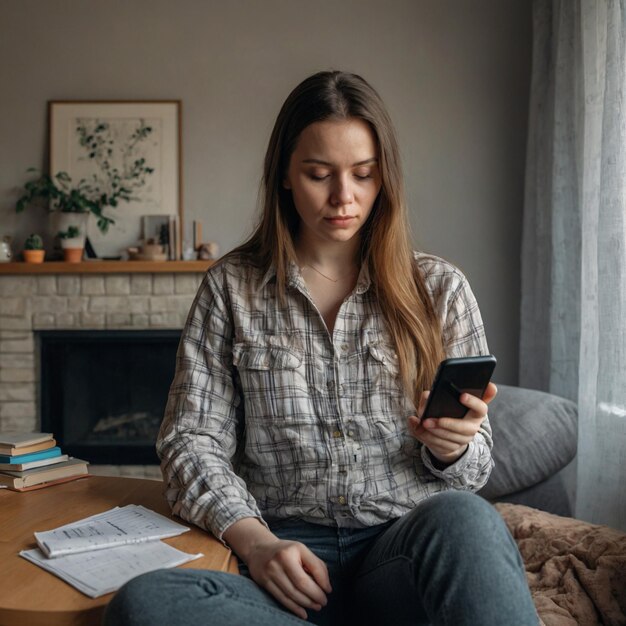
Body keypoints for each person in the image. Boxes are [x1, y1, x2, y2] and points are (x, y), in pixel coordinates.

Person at [105, 70, 538, 626]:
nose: (344, 197)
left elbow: (476, 468)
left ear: (385, 178)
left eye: (363, 174)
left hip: (400, 555)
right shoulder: (230, 287)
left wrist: (454, 447)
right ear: (285, 175)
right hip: (283, 562)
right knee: (145, 604)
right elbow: (191, 441)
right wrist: (258, 545)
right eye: (318, 174)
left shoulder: (440, 289)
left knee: (469, 519)